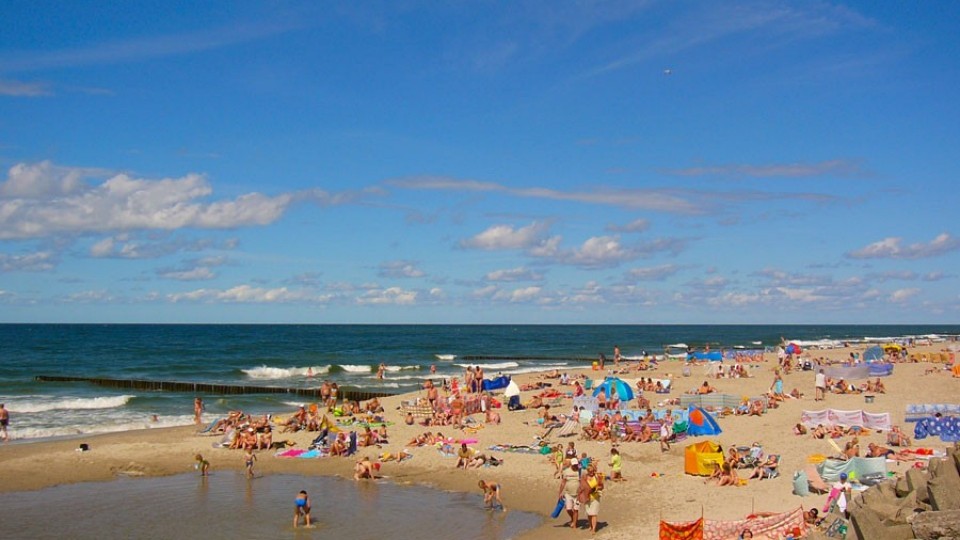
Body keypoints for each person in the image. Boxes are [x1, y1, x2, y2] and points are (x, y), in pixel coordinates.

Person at [580, 464, 603, 533]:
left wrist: (597, 488)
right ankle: (591, 525)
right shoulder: (584, 477)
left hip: (595, 497)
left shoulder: (596, 477)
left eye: (593, 471)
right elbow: (581, 487)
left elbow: (602, 486)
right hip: (587, 497)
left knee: (594, 513)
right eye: (590, 471)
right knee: (589, 513)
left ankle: (594, 529)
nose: (592, 472)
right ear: (587, 471)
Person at [558, 459, 580, 528]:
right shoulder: (566, 471)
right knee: (568, 509)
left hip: (578, 494)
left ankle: (574, 524)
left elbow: (583, 482)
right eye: (574, 465)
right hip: (568, 493)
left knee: (576, 509)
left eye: (576, 464)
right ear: (571, 464)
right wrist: (560, 493)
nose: (575, 466)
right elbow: (563, 482)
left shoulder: (580, 471)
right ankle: (573, 518)